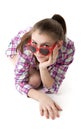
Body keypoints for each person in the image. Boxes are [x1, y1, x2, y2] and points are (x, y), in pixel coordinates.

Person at [5, 14, 75, 120]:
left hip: (42, 59)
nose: (37, 52)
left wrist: (43, 67)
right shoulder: (28, 47)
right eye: (35, 44)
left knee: (38, 80)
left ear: (58, 45)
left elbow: (53, 87)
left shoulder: (68, 49)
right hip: (17, 50)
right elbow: (19, 82)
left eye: (45, 46)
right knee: (35, 81)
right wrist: (41, 97)